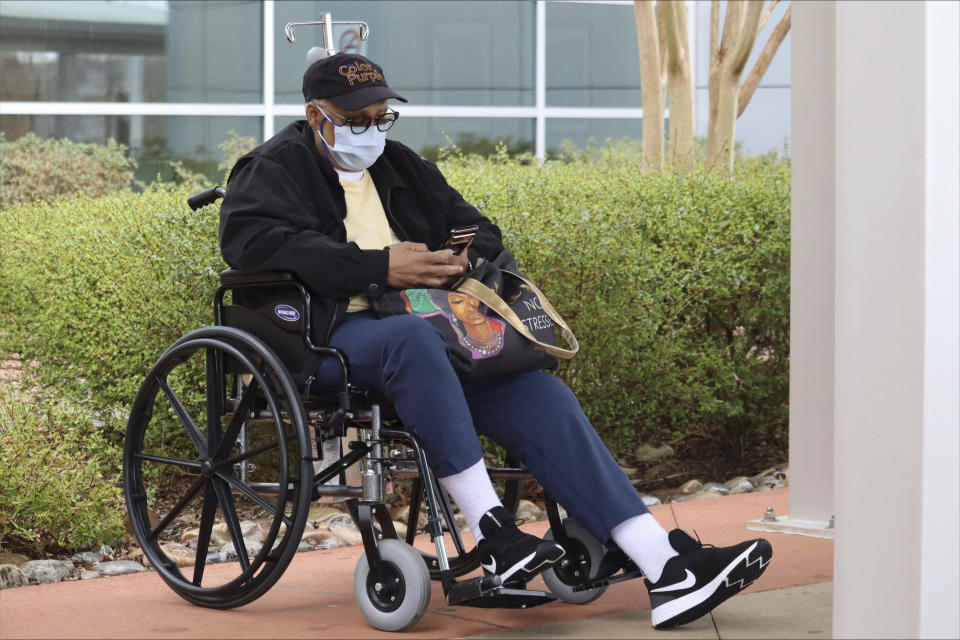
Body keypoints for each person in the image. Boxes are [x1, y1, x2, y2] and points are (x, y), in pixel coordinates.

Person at [218, 52, 772, 629]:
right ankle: (493, 535)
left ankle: (666, 568)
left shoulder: (399, 165)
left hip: (428, 330)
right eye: (357, 120)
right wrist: (379, 267)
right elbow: (251, 244)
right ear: (316, 115)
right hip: (329, 336)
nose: (372, 131)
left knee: (541, 395)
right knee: (410, 339)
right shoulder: (271, 169)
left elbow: (478, 227)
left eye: (382, 118)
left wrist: (462, 256)